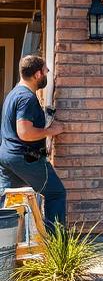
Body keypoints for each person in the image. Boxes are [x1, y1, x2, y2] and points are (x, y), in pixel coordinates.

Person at [0, 55, 67, 228]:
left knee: (8, 205)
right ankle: (55, 248)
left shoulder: (13, 94)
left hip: (7, 157)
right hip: (25, 158)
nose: (47, 74)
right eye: (45, 71)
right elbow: (25, 133)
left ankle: (6, 248)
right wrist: (51, 131)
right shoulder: (27, 98)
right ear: (37, 74)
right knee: (56, 193)